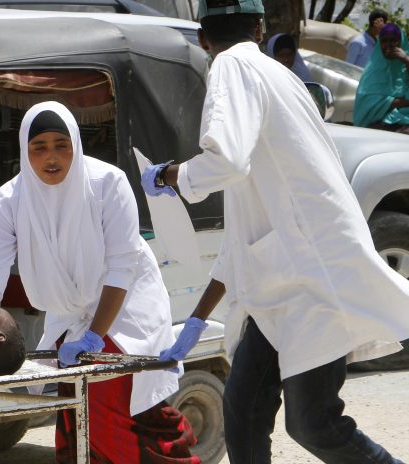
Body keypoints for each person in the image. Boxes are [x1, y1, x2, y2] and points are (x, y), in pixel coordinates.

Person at [141, 1, 409, 463]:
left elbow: (225, 160)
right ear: (262, 28)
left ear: (202, 39)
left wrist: (171, 176)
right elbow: (246, 238)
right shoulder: (281, 77)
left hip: (309, 285)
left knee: (314, 424)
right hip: (281, 289)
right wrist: (200, 318)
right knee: (242, 413)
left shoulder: (231, 66)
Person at [0, 101, 198, 463]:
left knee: (114, 407)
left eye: (62, 144)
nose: (52, 156)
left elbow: (123, 268)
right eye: (39, 147)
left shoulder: (107, 182)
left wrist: (94, 337)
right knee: (79, 416)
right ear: (24, 150)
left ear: (76, 142)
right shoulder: (6, 200)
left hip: (124, 310)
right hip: (67, 315)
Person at [353, 24, 409, 134]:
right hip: (380, 126)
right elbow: (366, 102)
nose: (389, 45)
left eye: (394, 40)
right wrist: (404, 102)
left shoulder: (406, 65)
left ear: (401, 42)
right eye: (384, 41)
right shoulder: (372, 70)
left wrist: (406, 60)